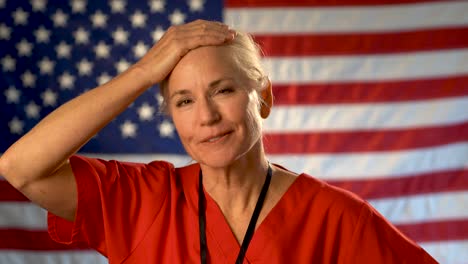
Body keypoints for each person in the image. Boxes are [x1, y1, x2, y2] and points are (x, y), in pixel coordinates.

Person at [0, 20, 437, 263]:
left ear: (263, 98)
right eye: (184, 100)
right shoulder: (144, 202)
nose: (206, 117)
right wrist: (143, 74)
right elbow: (20, 167)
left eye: (223, 90)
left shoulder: (338, 220)